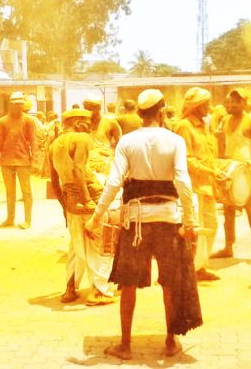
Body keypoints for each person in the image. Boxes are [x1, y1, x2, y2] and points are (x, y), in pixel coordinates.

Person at [87, 89, 201, 360]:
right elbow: (183, 182)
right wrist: (190, 221)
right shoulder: (175, 141)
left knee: (127, 285)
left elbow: (114, 182)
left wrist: (95, 217)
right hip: (168, 221)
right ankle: (170, 342)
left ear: (139, 114)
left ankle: (125, 346)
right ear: (162, 111)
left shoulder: (127, 142)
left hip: (136, 223)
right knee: (170, 284)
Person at [49, 108, 116, 306]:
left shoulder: (54, 145)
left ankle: (70, 289)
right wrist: (87, 199)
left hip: (70, 200)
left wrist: (65, 205)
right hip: (89, 195)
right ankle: (99, 291)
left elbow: (54, 181)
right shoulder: (81, 138)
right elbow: (79, 168)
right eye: (87, 123)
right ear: (78, 124)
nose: (90, 127)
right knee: (99, 244)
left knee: (76, 246)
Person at [211, 88, 251, 265]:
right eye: (230, 101)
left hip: (245, 172)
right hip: (229, 171)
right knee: (228, 213)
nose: (232, 104)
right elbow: (222, 145)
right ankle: (228, 247)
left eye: (237, 101)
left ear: (245, 103)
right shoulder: (225, 120)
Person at [174, 87, 223, 281]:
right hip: (192, 188)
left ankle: (199, 266)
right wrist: (211, 171)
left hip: (208, 185)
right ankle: (189, 270)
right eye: (206, 104)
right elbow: (186, 159)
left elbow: (209, 155)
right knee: (196, 229)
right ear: (196, 106)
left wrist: (216, 172)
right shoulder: (184, 126)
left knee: (211, 225)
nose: (209, 107)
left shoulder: (205, 125)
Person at [0, 92, 36, 229]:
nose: (18, 107)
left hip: (23, 160)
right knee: (9, 192)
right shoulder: (3, 121)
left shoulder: (29, 120)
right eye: (15, 104)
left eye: (20, 104)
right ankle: (10, 219)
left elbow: (34, 141)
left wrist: (35, 160)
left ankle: (28, 220)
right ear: (10, 105)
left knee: (26, 192)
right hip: (6, 160)